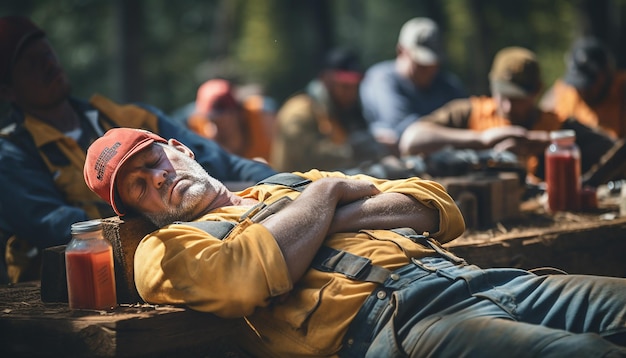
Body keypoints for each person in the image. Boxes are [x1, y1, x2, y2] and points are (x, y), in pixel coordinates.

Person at [85, 126, 626, 357]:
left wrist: (312, 216)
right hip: (406, 323)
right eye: (138, 186)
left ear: (180, 149)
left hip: (482, 281)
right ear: (140, 211)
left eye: (153, 161)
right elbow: (243, 278)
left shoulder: (286, 186)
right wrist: (330, 193)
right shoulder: (164, 250)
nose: (155, 178)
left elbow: (434, 205)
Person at [0, 16, 276, 283]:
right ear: (8, 91)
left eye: (48, 54)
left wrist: (280, 184)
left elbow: (225, 164)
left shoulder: (132, 118)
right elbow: (61, 230)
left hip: (201, 244)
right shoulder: (9, 155)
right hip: (72, 289)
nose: (48, 65)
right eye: (31, 64)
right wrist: (173, 205)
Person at [399, 47, 566, 183]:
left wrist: (547, 144)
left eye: (517, 99)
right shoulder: (469, 112)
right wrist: (481, 140)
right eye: (502, 96)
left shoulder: (556, 125)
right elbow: (411, 139)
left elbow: (587, 144)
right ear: (492, 85)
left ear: (537, 91)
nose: (507, 107)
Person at [359, 17, 467, 155]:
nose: (429, 70)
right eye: (421, 64)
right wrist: (473, 138)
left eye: (434, 64)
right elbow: (407, 131)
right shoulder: (381, 80)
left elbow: (470, 117)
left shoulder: (447, 84)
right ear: (401, 51)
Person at [271, 47, 388, 172]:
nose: (351, 93)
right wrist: (352, 152)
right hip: (293, 189)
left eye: (355, 86)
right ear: (325, 79)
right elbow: (308, 160)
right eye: (344, 86)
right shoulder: (298, 111)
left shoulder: (344, 111)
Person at [540, 36, 626, 139]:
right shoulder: (563, 93)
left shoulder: (621, 89)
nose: (583, 90)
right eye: (578, 83)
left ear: (606, 73)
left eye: (589, 83)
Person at [187, 78, 276, 163]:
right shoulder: (195, 129)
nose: (216, 131)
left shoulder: (261, 118)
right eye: (211, 122)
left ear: (239, 115)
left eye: (222, 123)